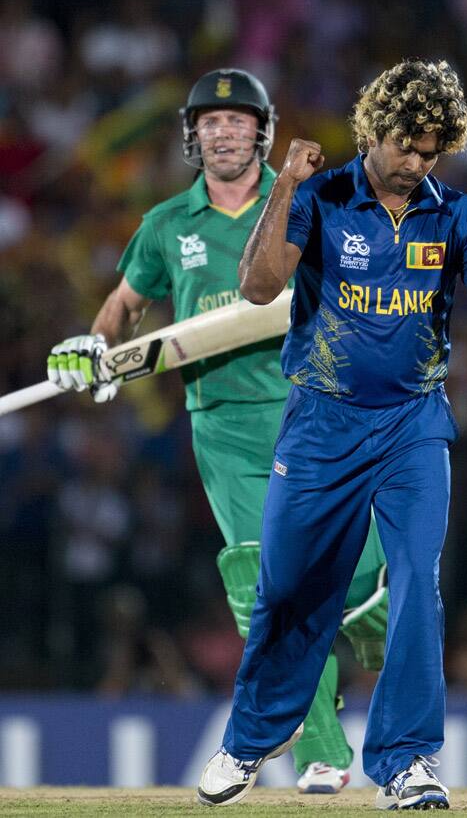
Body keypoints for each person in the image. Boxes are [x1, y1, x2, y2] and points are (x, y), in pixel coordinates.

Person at [197, 59, 467, 810]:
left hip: (413, 424)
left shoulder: (457, 214)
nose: (418, 164)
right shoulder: (321, 196)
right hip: (321, 423)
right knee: (291, 589)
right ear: (373, 131)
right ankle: (250, 740)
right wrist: (284, 183)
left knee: (418, 578)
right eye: (407, 147)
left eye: (433, 152)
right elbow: (259, 286)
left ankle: (407, 761)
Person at [46, 68, 388, 793]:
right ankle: (320, 746)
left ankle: (368, 616)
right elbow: (124, 305)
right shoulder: (168, 223)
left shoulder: (308, 201)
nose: (224, 133)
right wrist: (93, 347)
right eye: (210, 123)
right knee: (264, 575)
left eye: (237, 122)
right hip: (224, 426)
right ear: (192, 136)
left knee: (361, 581)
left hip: (317, 409)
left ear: (261, 132)